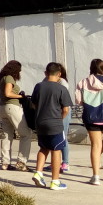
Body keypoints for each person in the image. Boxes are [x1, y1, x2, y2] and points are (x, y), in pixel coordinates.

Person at [30, 63, 73, 191]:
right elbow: (66, 109)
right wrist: (60, 118)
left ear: (45, 73)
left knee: (43, 148)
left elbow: (33, 104)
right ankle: (55, 181)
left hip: (40, 122)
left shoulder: (39, 86)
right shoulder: (61, 89)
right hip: (55, 123)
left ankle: (38, 172)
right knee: (56, 150)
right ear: (59, 74)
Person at [0, 60, 32, 171]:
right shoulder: (9, 78)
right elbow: (8, 93)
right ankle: (21, 162)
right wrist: (22, 97)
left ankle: (5, 163)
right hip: (12, 107)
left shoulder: (1, 78)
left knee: (7, 135)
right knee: (26, 134)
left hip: (2, 108)